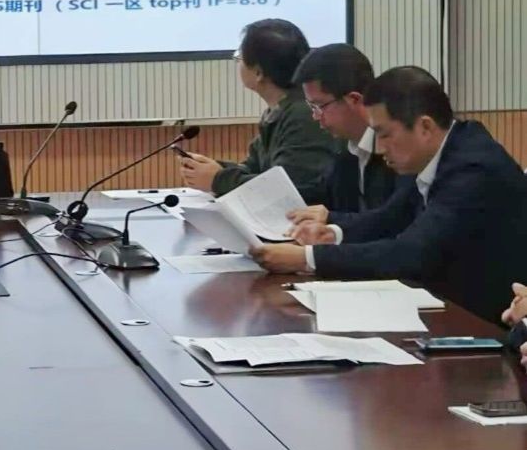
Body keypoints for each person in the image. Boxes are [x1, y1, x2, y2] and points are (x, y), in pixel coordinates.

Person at [252, 67, 527, 324]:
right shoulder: (434, 154)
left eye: (384, 135)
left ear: (425, 127)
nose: (380, 148)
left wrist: (307, 258)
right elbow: (391, 218)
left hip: (490, 326)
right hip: (448, 309)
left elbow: (412, 253)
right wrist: (331, 234)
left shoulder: (473, 169)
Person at [179, 19, 338, 204]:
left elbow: (287, 190)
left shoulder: (303, 114)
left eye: (239, 57)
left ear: (258, 72)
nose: (237, 63)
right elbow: (256, 170)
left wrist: (217, 179)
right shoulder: (279, 109)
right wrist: (215, 169)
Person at [291, 43, 399, 212]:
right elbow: (320, 195)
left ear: (354, 100)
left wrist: (331, 221)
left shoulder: (396, 151)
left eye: (319, 106)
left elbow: (388, 219)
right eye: (311, 107)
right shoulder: (346, 152)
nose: (315, 116)